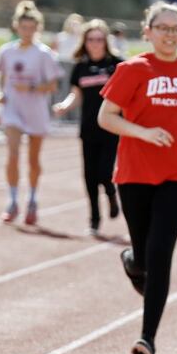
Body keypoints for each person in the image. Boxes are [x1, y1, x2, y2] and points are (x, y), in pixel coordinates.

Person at [97, 1, 177, 354]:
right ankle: (132, 261)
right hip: (135, 174)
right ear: (147, 31)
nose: (169, 34)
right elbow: (107, 117)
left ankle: (147, 337)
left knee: (161, 251)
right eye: (162, 28)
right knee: (142, 253)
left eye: (176, 28)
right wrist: (143, 132)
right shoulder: (132, 69)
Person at [0, 0, 62, 226]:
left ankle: (32, 199)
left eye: (31, 28)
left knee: (33, 160)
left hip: (35, 110)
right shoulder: (6, 51)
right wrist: (0, 93)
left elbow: (53, 86)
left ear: (37, 28)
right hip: (13, 109)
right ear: (17, 27)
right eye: (23, 27)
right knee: (12, 154)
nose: (27, 32)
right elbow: (2, 77)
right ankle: (12, 200)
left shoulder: (44, 54)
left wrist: (32, 88)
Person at [53, 19, 123, 235]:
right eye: (91, 39)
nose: (95, 43)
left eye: (99, 39)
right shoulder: (80, 67)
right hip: (88, 128)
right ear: (85, 41)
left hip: (111, 127)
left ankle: (111, 194)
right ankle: (94, 219)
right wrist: (64, 106)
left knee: (104, 172)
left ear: (106, 41)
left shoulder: (117, 64)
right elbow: (76, 94)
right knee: (89, 176)